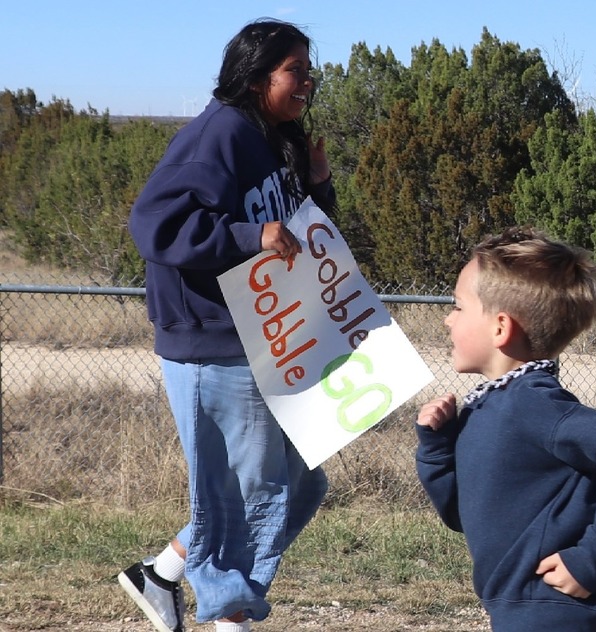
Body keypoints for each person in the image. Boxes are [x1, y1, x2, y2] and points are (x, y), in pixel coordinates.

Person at [118, 18, 336, 632]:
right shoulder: (217, 136)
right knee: (256, 496)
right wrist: (249, 235)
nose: (307, 81)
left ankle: (160, 575)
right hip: (213, 344)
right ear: (256, 74)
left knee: (297, 485)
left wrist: (318, 185)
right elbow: (155, 224)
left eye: (307, 70)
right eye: (295, 69)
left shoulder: (274, 137)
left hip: (264, 334)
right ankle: (229, 619)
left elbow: (291, 235)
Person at [414, 227, 596, 632]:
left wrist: (591, 558)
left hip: (553, 608)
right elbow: (463, 514)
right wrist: (437, 448)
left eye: (457, 307)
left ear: (500, 328)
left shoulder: (534, 405)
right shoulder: (489, 406)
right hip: (519, 607)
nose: (447, 319)